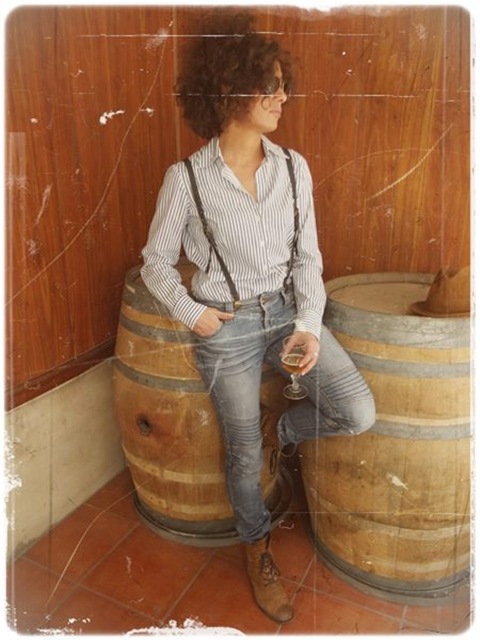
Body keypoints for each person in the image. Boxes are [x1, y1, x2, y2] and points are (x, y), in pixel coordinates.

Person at [141, 12, 375, 624]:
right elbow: (156, 263)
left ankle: (283, 430)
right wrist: (193, 314)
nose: (281, 96)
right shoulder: (186, 179)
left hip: (289, 315)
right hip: (229, 330)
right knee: (243, 451)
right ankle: (257, 548)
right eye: (268, 85)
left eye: (282, 84)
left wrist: (307, 326)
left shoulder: (294, 168)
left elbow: (308, 259)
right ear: (228, 90)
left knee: (357, 410)